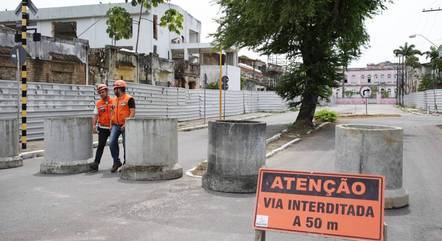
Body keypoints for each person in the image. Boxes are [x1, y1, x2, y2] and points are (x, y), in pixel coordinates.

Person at [109, 80, 135, 173]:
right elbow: (111, 112)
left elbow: (132, 112)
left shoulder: (129, 99)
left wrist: (126, 123)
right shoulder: (113, 100)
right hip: (115, 125)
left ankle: (126, 163)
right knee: (111, 142)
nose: (114, 90)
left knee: (125, 144)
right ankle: (116, 162)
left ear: (119, 88)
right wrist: (110, 124)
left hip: (125, 125)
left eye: (115, 88)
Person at [90, 84, 113, 172]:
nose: (101, 94)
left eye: (103, 92)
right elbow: (95, 115)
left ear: (107, 91)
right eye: (100, 93)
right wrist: (93, 126)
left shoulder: (114, 101)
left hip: (112, 127)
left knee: (113, 145)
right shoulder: (98, 103)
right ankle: (96, 163)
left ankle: (116, 162)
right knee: (100, 146)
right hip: (102, 128)